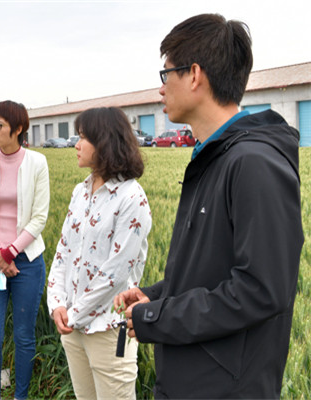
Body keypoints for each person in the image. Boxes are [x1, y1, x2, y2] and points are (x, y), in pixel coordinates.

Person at [114, 13, 304, 399]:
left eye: (166, 74)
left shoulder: (252, 164)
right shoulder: (213, 157)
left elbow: (261, 290)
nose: (161, 89)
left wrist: (158, 318)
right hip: (191, 379)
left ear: (195, 75)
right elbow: (212, 270)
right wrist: (158, 295)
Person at [47, 107, 152, 399]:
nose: (76, 145)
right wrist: (57, 302)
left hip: (108, 329)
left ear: (104, 142)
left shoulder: (132, 198)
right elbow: (63, 250)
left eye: (83, 138)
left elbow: (115, 273)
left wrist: (73, 314)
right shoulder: (80, 191)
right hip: (72, 326)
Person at [0, 100, 50, 400]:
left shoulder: (37, 163)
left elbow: (40, 216)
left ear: (17, 129)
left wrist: (11, 252)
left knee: (24, 337)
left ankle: (21, 396)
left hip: (26, 262)